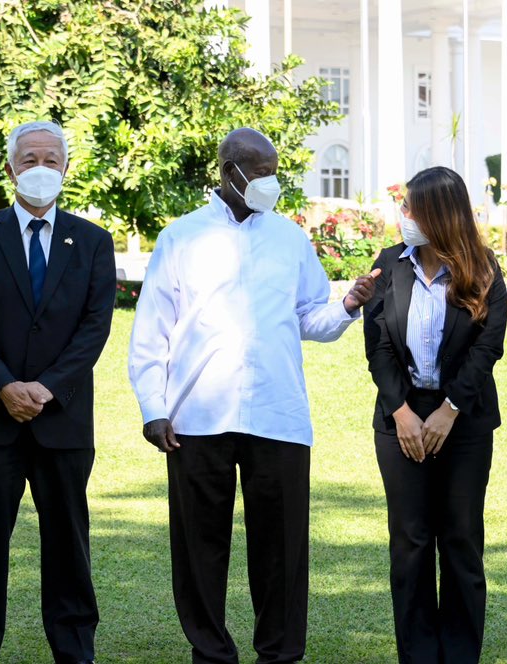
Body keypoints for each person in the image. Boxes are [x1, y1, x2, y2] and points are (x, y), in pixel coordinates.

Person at [127, 127, 380, 664]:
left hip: (277, 413)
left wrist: (349, 303)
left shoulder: (290, 239)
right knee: (199, 546)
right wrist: (154, 408)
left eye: (273, 170)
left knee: (282, 549)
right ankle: (211, 652)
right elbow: (151, 331)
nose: (271, 181)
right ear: (229, 172)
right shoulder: (181, 237)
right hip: (197, 415)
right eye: (260, 172)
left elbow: (312, 316)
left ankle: (279, 654)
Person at [0, 120, 116, 664]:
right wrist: (5, 385)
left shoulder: (92, 241)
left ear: (66, 168)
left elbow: (95, 327)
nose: (40, 169)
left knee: (69, 545)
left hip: (63, 418)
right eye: (29, 161)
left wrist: (45, 387)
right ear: (10, 170)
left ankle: (74, 650)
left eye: (50, 160)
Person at [363, 166, 506, 663]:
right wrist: (401, 411)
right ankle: (419, 655)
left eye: (413, 208)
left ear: (441, 216)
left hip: (462, 420)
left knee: (462, 539)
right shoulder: (389, 264)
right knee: (410, 543)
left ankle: (461, 655)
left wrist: (449, 410)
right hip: (401, 416)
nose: (404, 217)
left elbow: (488, 348)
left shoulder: (483, 267)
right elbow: (377, 347)